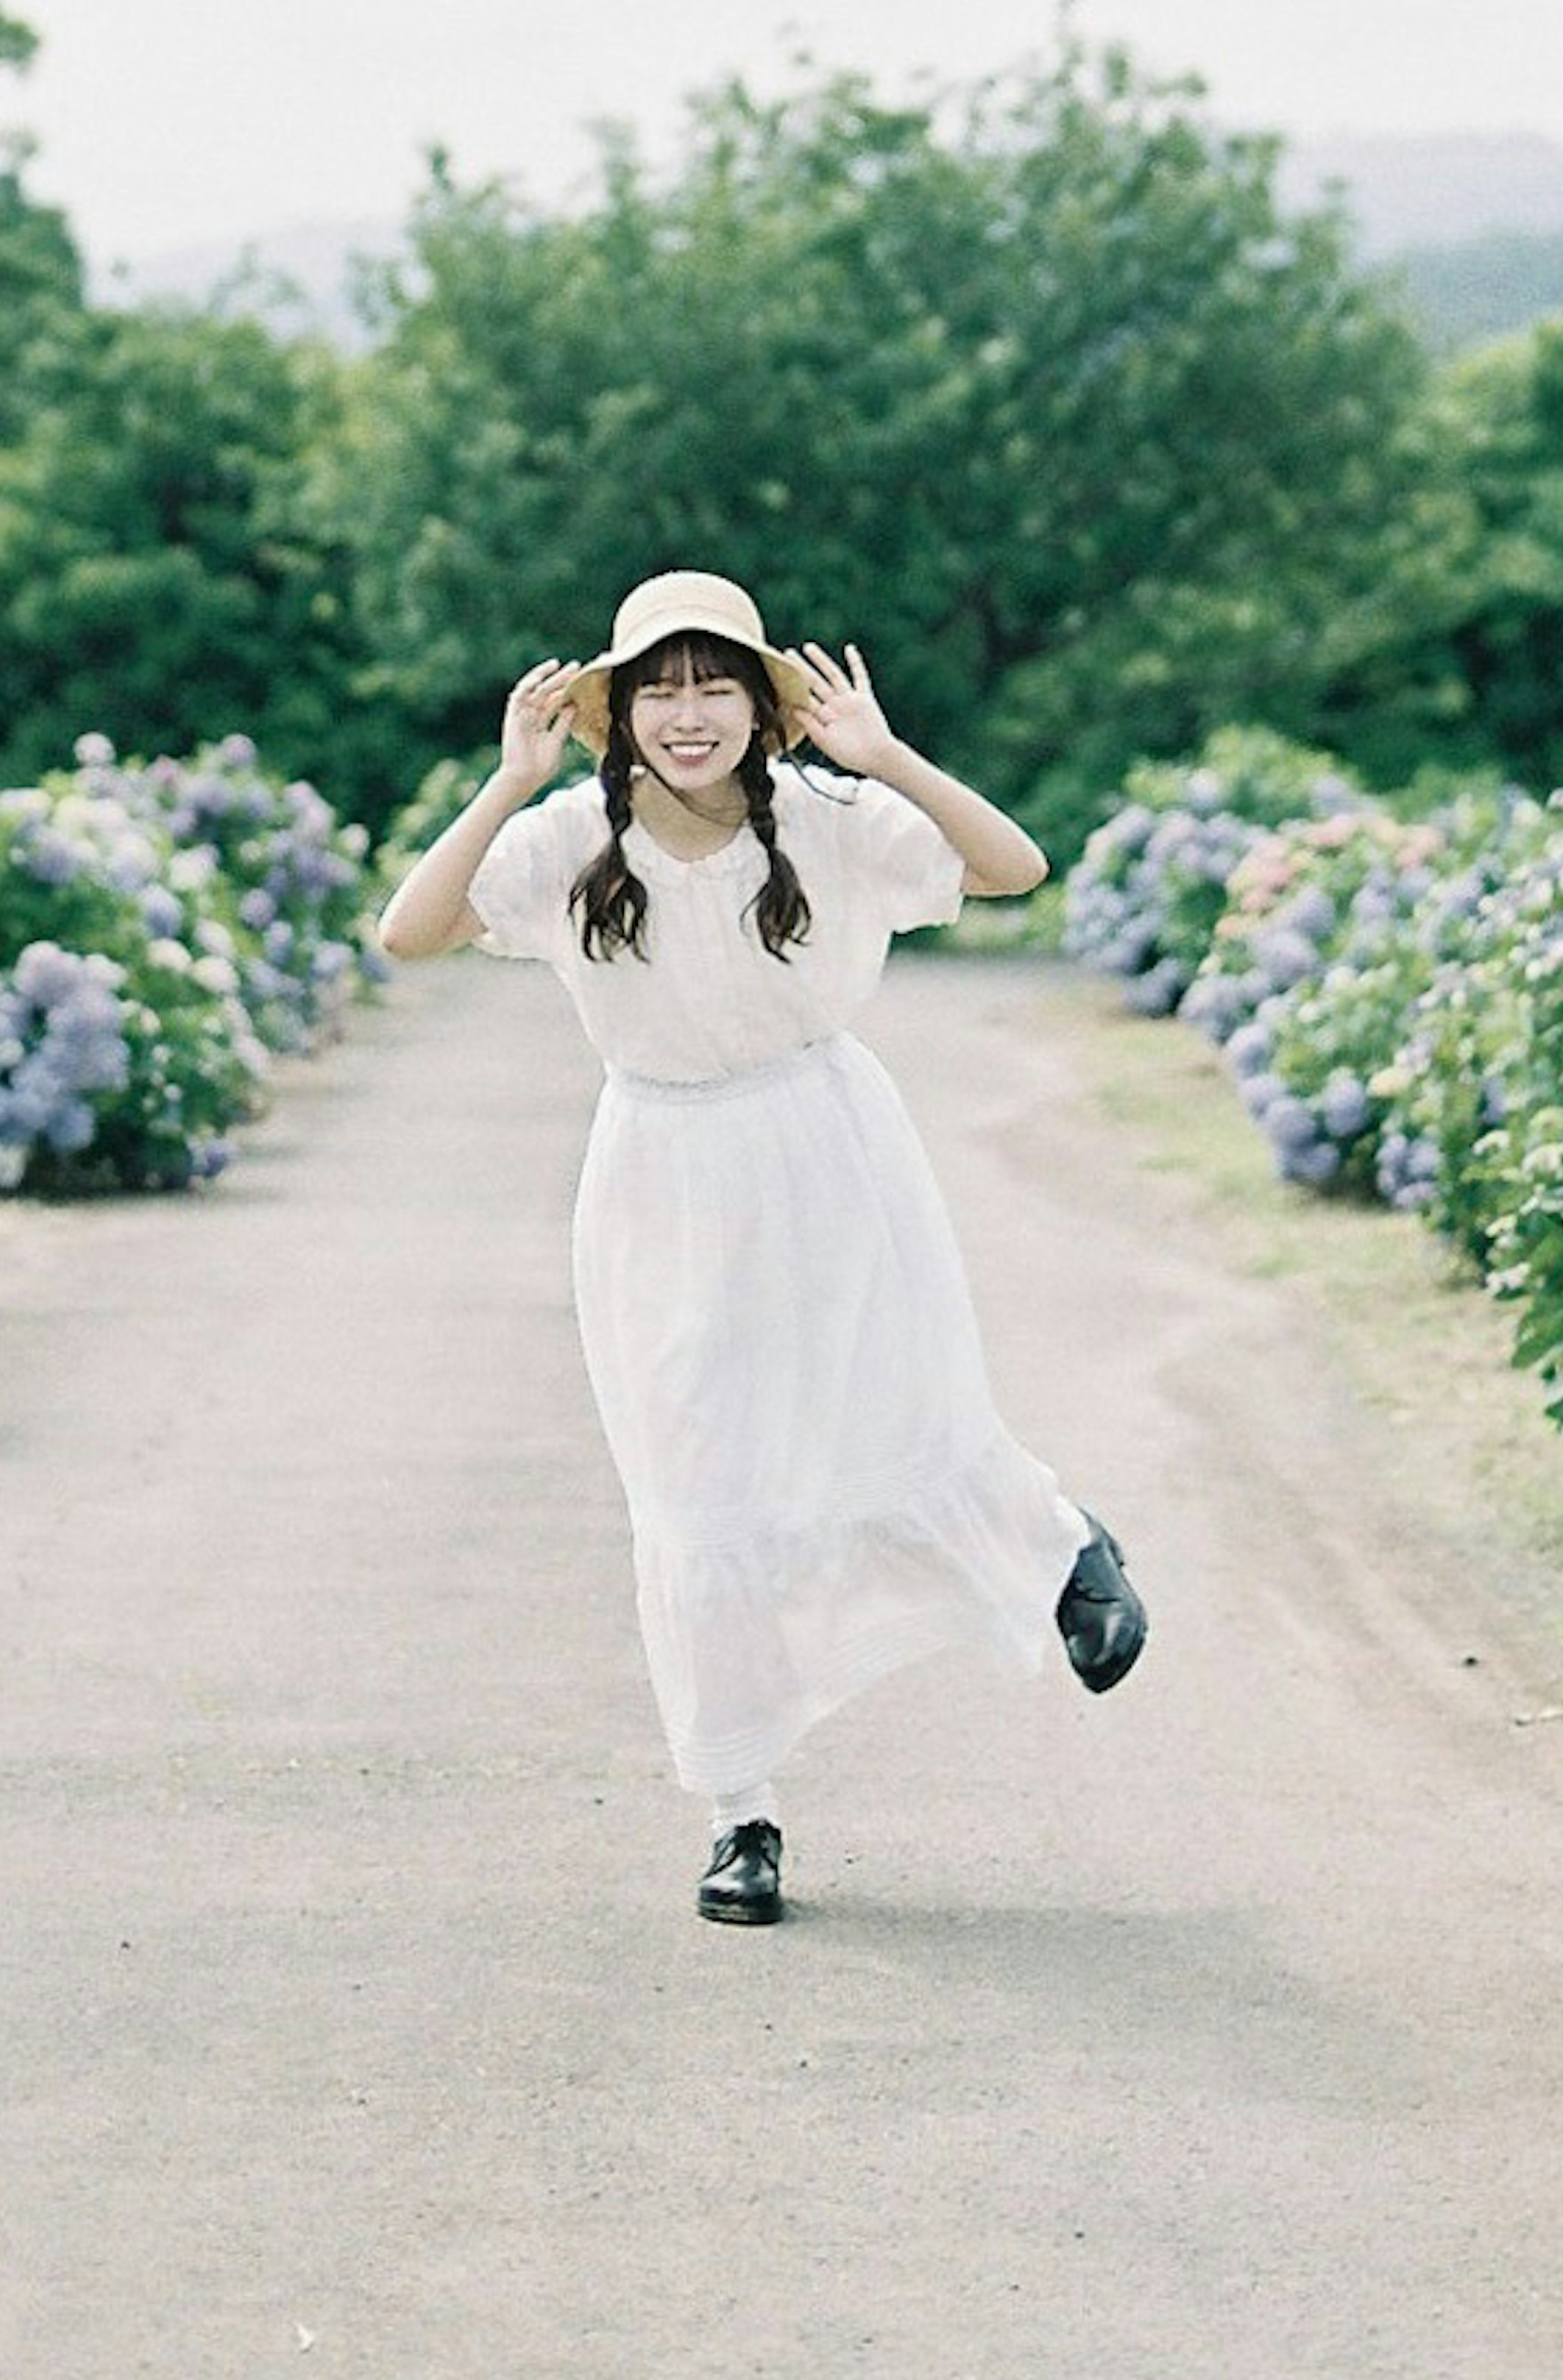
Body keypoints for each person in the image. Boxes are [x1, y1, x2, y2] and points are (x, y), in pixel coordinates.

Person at [377, 566, 1146, 1928]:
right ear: (617, 718)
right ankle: (742, 1815)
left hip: (826, 1145)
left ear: (757, 705)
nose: (689, 714)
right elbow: (410, 933)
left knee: (890, 1409)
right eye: (659, 690)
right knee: (698, 1490)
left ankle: (1056, 1544)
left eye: (714, 684)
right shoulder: (568, 840)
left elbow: (1015, 869)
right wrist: (504, 783)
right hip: (658, 1176)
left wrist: (886, 754)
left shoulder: (831, 818)